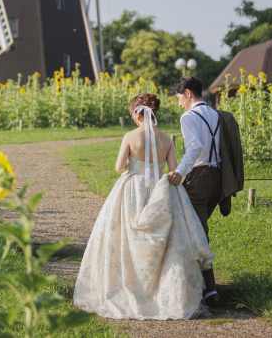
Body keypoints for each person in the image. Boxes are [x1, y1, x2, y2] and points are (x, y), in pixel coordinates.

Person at [74, 93, 215, 320]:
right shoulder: (167, 139)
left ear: (136, 114)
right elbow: (173, 169)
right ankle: (165, 292)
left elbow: (120, 167)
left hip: (133, 190)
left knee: (126, 239)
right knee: (168, 243)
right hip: (161, 190)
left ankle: (129, 286)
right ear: (154, 113)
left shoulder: (130, 136)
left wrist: (134, 161)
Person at [169, 75, 243, 309]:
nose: (179, 103)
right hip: (217, 178)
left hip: (198, 178)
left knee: (198, 233)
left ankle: (210, 291)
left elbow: (194, 148)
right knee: (194, 230)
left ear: (188, 93)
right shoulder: (215, 114)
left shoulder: (189, 116)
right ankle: (197, 281)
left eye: (179, 97)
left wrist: (180, 172)